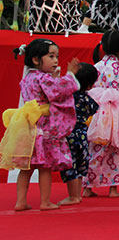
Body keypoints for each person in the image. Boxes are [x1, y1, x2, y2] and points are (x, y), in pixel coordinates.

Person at [1, 39, 79, 210]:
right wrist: (70, 75)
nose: (56, 60)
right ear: (36, 60)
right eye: (51, 56)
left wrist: (57, 78)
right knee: (45, 166)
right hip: (44, 126)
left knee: (26, 167)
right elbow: (57, 91)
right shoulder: (43, 78)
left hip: (29, 126)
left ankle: (20, 201)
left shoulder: (28, 77)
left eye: (56, 56)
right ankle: (45, 202)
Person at [82, 30, 119, 198]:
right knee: (116, 148)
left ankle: (87, 187)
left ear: (102, 47)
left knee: (94, 147)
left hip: (97, 113)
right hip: (116, 115)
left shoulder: (95, 67)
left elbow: (86, 89)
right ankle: (113, 188)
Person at [59, 62, 99, 205]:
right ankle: (78, 194)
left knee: (70, 166)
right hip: (82, 135)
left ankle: (73, 196)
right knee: (81, 164)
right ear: (90, 85)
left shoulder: (67, 97)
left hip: (68, 134)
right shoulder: (86, 98)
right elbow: (94, 109)